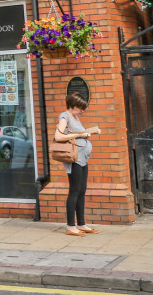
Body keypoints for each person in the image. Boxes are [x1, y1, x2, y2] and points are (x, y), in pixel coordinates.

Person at [55, 92, 101, 236]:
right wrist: (80, 134)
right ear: (73, 105)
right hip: (74, 159)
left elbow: (78, 133)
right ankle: (70, 226)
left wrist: (88, 132)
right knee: (74, 191)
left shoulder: (75, 117)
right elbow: (58, 136)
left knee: (81, 190)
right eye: (81, 108)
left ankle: (81, 223)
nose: (82, 111)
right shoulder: (65, 116)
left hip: (82, 159)